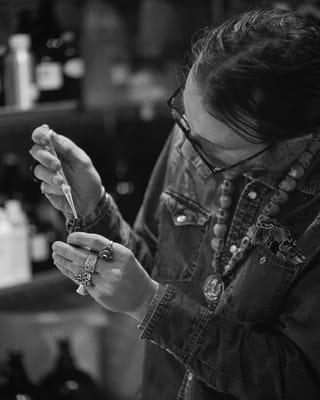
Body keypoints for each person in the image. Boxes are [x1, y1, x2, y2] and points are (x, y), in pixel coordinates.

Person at [29, 8, 320, 400]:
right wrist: (93, 207)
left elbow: (298, 382)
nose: (191, 152)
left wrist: (151, 306)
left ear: (296, 138)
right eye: (185, 118)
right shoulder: (194, 135)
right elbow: (155, 270)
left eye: (219, 148)